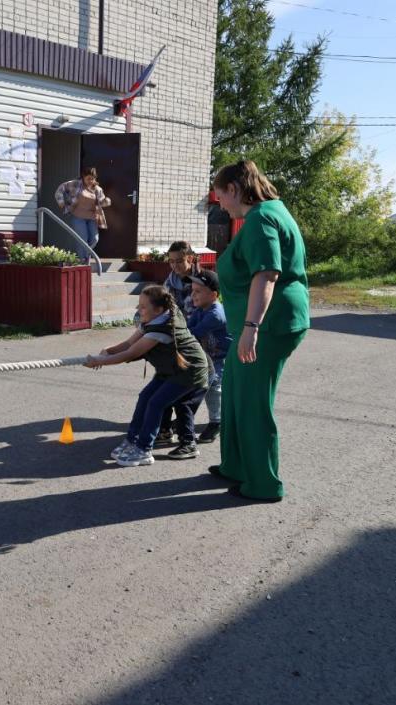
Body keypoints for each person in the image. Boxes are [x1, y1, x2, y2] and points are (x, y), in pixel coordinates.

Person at [210, 159, 310, 502]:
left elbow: (266, 274)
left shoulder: (261, 219)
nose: (219, 203)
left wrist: (252, 327)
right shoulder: (270, 211)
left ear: (235, 190)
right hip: (255, 325)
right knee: (236, 393)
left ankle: (264, 484)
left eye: (220, 195)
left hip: (267, 325)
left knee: (253, 403)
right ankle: (236, 466)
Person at [85, 285, 210, 466]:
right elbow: (128, 343)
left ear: (159, 309)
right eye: (138, 305)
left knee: (156, 402)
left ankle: (144, 449)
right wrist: (107, 351)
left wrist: (100, 361)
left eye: (143, 306)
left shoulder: (161, 330)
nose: (138, 309)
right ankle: (132, 440)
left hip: (190, 371)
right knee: (145, 397)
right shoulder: (154, 319)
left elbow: (130, 353)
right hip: (169, 370)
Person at [156, 240, 200, 444]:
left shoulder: (201, 280)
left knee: (189, 393)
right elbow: (165, 305)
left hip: (197, 338)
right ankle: (164, 428)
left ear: (190, 258)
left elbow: (197, 310)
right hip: (176, 338)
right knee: (165, 383)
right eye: (171, 261)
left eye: (179, 261)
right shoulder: (170, 280)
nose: (174, 266)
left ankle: (194, 432)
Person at [186, 269, 232, 444]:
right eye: (192, 290)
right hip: (208, 357)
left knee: (213, 388)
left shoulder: (215, 314)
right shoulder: (200, 310)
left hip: (221, 358)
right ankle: (187, 417)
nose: (193, 295)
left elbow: (193, 334)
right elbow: (187, 330)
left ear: (213, 295)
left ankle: (216, 422)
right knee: (200, 387)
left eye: (198, 291)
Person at [54, 166, 112, 260]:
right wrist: (62, 203)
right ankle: (83, 261)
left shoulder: (97, 189)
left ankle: (85, 257)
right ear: (83, 177)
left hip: (92, 217)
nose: (90, 181)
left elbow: (101, 202)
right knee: (82, 240)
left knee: (95, 239)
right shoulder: (75, 184)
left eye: (92, 179)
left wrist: (106, 201)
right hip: (78, 216)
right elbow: (60, 190)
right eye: (88, 178)